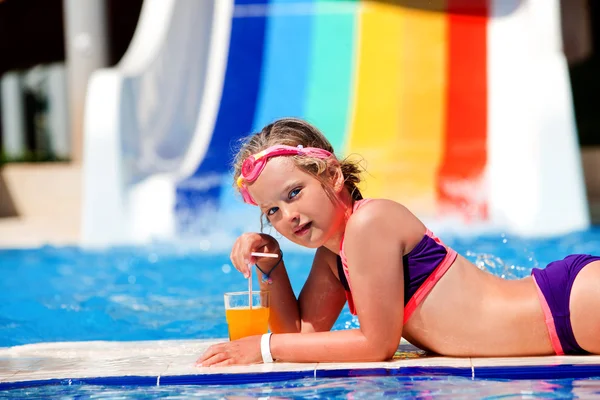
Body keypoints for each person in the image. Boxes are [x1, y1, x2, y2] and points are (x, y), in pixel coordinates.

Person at [197, 118, 600, 367]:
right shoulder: (333, 256)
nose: (288, 216)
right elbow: (300, 334)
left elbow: (376, 344)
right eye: (272, 212)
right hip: (562, 318)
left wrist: (264, 348)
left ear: (332, 175)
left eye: (294, 193)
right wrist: (270, 262)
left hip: (566, 306)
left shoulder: (369, 223)